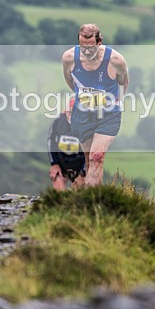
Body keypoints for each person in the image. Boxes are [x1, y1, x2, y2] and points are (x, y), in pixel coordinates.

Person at [61, 23, 129, 186]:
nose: (86, 51)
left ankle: (92, 201)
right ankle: (92, 200)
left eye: (90, 47)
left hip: (108, 114)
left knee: (97, 156)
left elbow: (124, 83)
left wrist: (112, 102)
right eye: (82, 47)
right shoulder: (69, 58)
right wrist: (86, 97)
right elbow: (70, 82)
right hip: (82, 113)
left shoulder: (116, 60)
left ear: (100, 42)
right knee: (89, 159)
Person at [47, 97, 86, 191]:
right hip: (61, 164)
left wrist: (83, 172)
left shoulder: (85, 124)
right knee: (58, 192)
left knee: (78, 197)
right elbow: (51, 141)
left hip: (78, 165)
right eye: (70, 113)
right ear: (65, 112)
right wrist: (54, 164)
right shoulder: (58, 121)